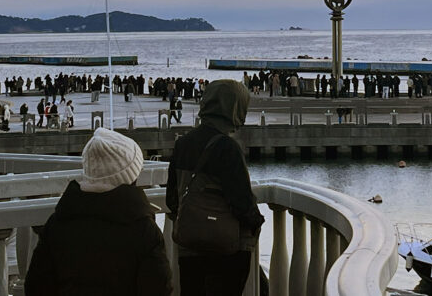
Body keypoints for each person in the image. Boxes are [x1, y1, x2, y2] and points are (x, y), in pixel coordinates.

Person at [25, 127, 171, 295]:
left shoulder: (59, 222)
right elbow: (158, 287)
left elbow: (36, 285)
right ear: (130, 177)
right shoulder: (144, 229)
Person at [166, 79, 264, 296]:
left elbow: (171, 199)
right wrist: (257, 222)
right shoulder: (228, 148)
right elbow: (242, 202)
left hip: (189, 246)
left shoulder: (183, 143)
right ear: (235, 108)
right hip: (226, 249)